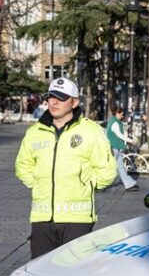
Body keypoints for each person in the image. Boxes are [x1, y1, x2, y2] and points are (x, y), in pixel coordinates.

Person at [15, 77, 116, 259]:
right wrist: (39, 183)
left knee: (74, 275)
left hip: (77, 220)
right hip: (42, 218)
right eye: (51, 97)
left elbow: (106, 172)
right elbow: (23, 166)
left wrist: (85, 185)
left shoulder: (91, 131)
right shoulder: (34, 132)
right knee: (42, 275)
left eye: (60, 98)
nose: (53, 102)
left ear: (74, 102)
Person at [106, 106, 139, 191]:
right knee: (111, 167)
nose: (122, 116)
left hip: (115, 148)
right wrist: (131, 141)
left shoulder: (116, 122)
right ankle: (99, 184)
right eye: (121, 114)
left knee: (120, 167)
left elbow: (123, 133)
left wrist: (132, 138)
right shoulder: (115, 123)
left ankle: (129, 184)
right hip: (112, 148)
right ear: (117, 113)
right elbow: (119, 135)